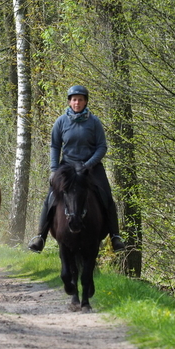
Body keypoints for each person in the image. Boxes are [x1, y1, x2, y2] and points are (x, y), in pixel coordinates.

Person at [28, 85, 126, 253]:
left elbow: (102, 147)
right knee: (51, 196)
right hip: (67, 167)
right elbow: (55, 146)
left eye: (80, 99)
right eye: (74, 99)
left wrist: (88, 164)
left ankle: (115, 237)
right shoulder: (61, 122)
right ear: (69, 102)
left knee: (106, 196)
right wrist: (54, 169)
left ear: (86, 101)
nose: (77, 102)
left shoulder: (94, 122)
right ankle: (40, 237)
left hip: (91, 167)